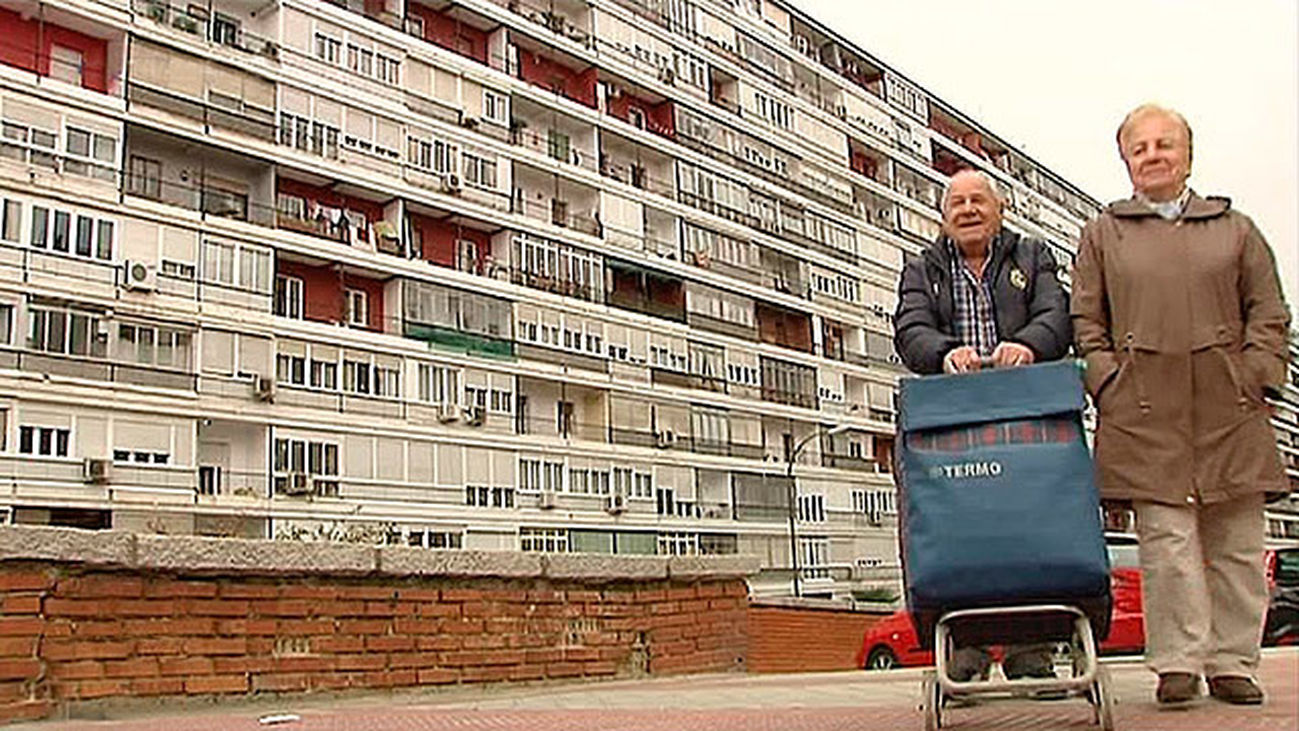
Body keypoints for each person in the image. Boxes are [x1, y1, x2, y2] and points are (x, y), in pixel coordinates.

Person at [1071, 104, 1290, 707]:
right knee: (1166, 547)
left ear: (1188, 154)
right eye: (1139, 147)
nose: (1153, 154)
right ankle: (1176, 662)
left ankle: (1233, 661)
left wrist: (1256, 377)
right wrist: (1107, 380)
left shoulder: (1235, 228)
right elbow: (1086, 319)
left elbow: (1269, 312)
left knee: (1237, 544)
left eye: (1165, 143)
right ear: (1126, 161)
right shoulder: (1103, 233)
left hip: (1230, 409)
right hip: (1145, 413)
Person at [894, 169, 1073, 683]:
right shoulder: (921, 268)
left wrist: (1031, 344)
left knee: (1030, 529)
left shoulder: (1032, 256)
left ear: (999, 210)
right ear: (944, 217)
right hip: (952, 422)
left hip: (1025, 415)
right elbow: (910, 329)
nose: (968, 209)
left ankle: (1031, 650)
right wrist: (946, 353)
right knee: (959, 532)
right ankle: (965, 646)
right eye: (958, 203)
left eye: (979, 200)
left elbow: (1057, 315)